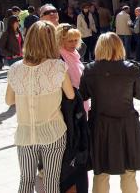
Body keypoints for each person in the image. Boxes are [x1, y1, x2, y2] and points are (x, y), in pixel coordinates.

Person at [5, 21, 75, 193]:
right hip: (53, 131)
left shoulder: (15, 68)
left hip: (25, 134)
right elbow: (71, 95)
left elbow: (8, 101)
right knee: (52, 181)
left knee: (26, 181)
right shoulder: (58, 66)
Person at [79, 33, 140, 193]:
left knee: (101, 172)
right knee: (129, 171)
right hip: (127, 124)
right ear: (120, 47)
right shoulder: (131, 68)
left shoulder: (90, 69)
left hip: (100, 125)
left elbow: (82, 95)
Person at [55, 23, 90, 192]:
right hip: (71, 107)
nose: (74, 43)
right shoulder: (60, 56)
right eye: (70, 40)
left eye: (76, 40)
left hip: (81, 103)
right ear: (61, 40)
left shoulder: (74, 53)